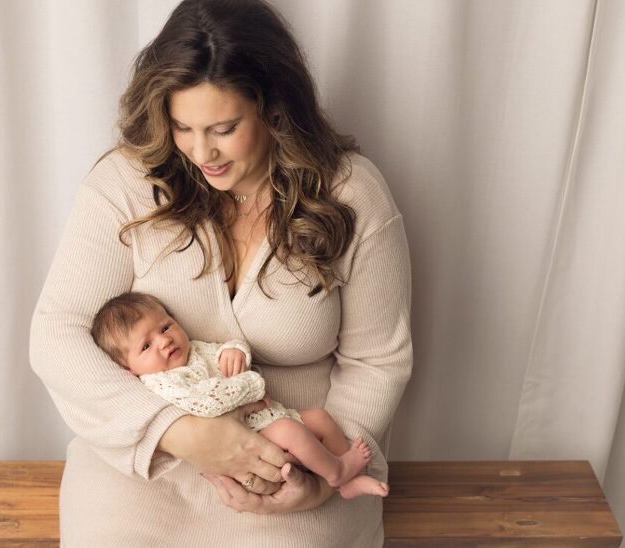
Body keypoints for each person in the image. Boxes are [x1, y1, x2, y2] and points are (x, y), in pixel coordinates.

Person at [29, 0, 412, 545]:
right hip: (145, 458)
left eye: (224, 128)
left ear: (274, 107)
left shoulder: (351, 195)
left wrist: (321, 478)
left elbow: (378, 360)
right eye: (183, 126)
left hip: (293, 454)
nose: (200, 152)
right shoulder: (127, 182)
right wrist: (177, 432)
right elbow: (56, 335)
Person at [90, 291, 391, 499]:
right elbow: (207, 403)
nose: (164, 340)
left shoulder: (193, 350)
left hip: (268, 414)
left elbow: (221, 348)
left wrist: (235, 350)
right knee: (292, 431)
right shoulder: (162, 382)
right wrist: (251, 385)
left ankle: (346, 483)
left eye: (165, 326)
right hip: (246, 433)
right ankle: (337, 471)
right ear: (129, 369)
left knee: (321, 418)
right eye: (146, 346)